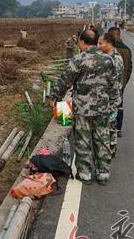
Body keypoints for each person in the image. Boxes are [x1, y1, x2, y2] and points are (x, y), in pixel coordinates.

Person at [49, 29, 120, 186]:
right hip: (102, 108)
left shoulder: (78, 60)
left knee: (83, 141)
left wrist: (54, 97)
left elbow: (65, 80)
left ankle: (85, 173)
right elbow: (114, 85)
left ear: (81, 41)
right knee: (102, 140)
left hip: (82, 108)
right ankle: (103, 173)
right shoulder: (109, 60)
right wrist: (114, 103)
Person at [98, 33, 124, 157]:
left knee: (110, 124)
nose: (99, 46)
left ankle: (111, 148)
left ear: (109, 43)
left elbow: (112, 81)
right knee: (109, 124)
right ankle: (110, 148)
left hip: (111, 98)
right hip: (108, 96)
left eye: (101, 43)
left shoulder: (115, 59)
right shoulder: (108, 56)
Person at [108, 27, 132, 138]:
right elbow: (129, 69)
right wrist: (124, 82)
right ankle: (118, 129)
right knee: (120, 106)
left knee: (108, 106)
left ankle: (108, 128)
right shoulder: (127, 50)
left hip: (108, 84)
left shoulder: (108, 49)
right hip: (121, 83)